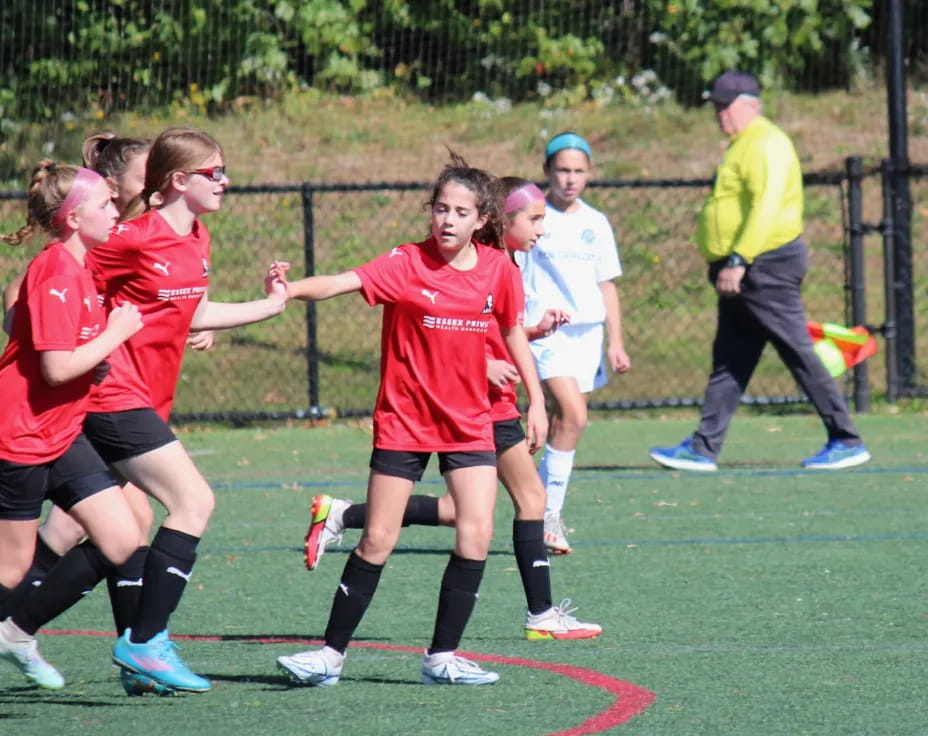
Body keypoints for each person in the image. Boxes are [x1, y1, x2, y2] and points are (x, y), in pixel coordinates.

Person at [0, 127, 289, 696]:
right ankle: (142, 643)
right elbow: (44, 286)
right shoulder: (125, 238)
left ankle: (31, 629)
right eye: (216, 172)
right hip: (107, 399)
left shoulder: (196, 238)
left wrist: (271, 305)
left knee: (120, 537)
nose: (226, 181)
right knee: (187, 503)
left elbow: (193, 310)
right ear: (178, 181)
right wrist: (97, 336)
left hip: (122, 405)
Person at [276, 155, 547, 687]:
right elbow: (340, 282)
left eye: (460, 211)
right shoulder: (406, 262)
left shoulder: (498, 269)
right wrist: (284, 292)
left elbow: (513, 332)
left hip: (468, 421)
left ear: (480, 219)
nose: (446, 220)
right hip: (404, 419)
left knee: (475, 533)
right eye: (440, 208)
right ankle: (329, 656)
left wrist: (535, 399)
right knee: (377, 537)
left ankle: (442, 658)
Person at [303, 177, 601, 641]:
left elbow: (497, 331)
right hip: (474, 408)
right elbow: (450, 336)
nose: (543, 228)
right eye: (535, 219)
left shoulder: (501, 267)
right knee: (525, 501)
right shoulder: (474, 262)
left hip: (484, 404)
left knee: (461, 512)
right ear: (503, 220)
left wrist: (532, 341)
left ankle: (343, 515)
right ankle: (539, 614)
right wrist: (490, 370)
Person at [648, 71, 870, 472]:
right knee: (731, 359)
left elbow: (766, 206)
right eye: (715, 105)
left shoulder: (765, 143)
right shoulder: (743, 144)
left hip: (762, 265)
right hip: (748, 266)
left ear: (752, 103)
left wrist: (738, 259)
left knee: (796, 350)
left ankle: (846, 438)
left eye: (726, 105)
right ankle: (703, 448)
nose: (719, 113)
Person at [0, 161, 144, 689]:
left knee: (123, 538)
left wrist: (92, 353)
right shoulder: (58, 267)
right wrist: (114, 334)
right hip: (19, 435)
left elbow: (28, 331)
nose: (115, 212)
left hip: (62, 432)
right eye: (106, 205)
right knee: (11, 570)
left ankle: (16, 632)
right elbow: (56, 367)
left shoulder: (76, 267)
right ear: (75, 216)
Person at [517, 132, 630, 554]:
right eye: (562, 170)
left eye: (579, 171)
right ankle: (546, 516)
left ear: (589, 174)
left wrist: (615, 342)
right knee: (575, 416)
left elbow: (607, 285)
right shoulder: (532, 216)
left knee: (566, 426)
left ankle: (540, 515)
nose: (570, 179)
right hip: (547, 332)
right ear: (547, 170)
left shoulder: (596, 223)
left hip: (587, 335)